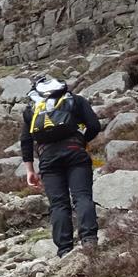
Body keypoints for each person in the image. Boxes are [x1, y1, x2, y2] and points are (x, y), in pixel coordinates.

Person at [20, 75, 104, 256]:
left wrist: (30, 171)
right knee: (82, 196)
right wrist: (82, 141)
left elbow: (26, 141)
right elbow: (94, 126)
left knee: (58, 204)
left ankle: (65, 250)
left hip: (48, 158)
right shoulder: (75, 100)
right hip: (75, 151)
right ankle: (89, 241)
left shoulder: (32, 109)